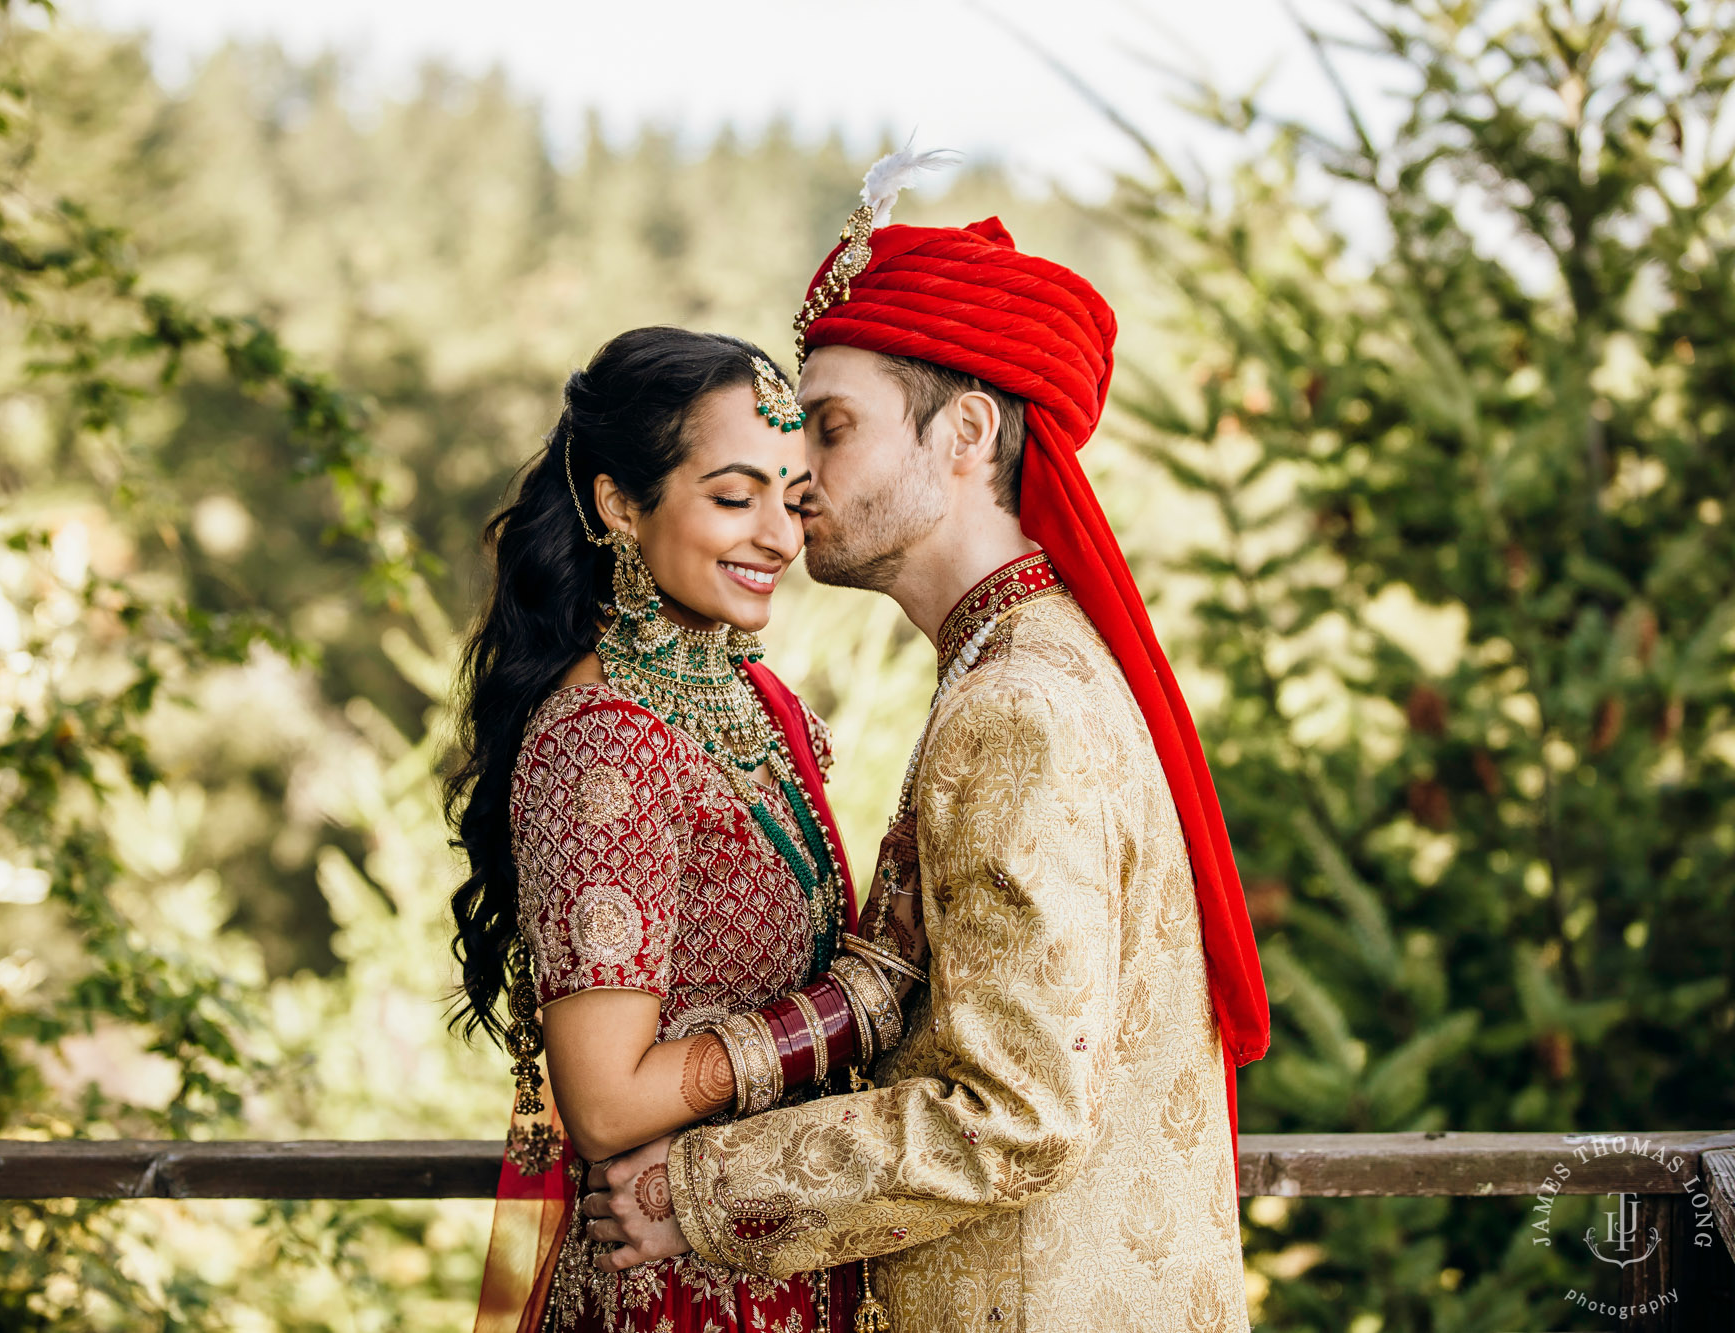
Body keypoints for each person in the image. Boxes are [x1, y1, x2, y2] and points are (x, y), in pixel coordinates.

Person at [580, 154, 1273, 1331]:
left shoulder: (1017, 707)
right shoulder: (1021, 665)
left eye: (832, 430)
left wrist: (698, 1188)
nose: (795, 481)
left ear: (964, 431)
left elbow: (1013, 1112)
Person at [449, 326, 878, 1333]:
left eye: (791, 495)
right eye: (733, 497)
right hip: (666, 1290)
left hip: (780, 1251)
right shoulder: (602, 743)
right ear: (617, 505)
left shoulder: (757, 705)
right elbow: (601, 1104)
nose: (777, 536)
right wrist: (842, 1012)